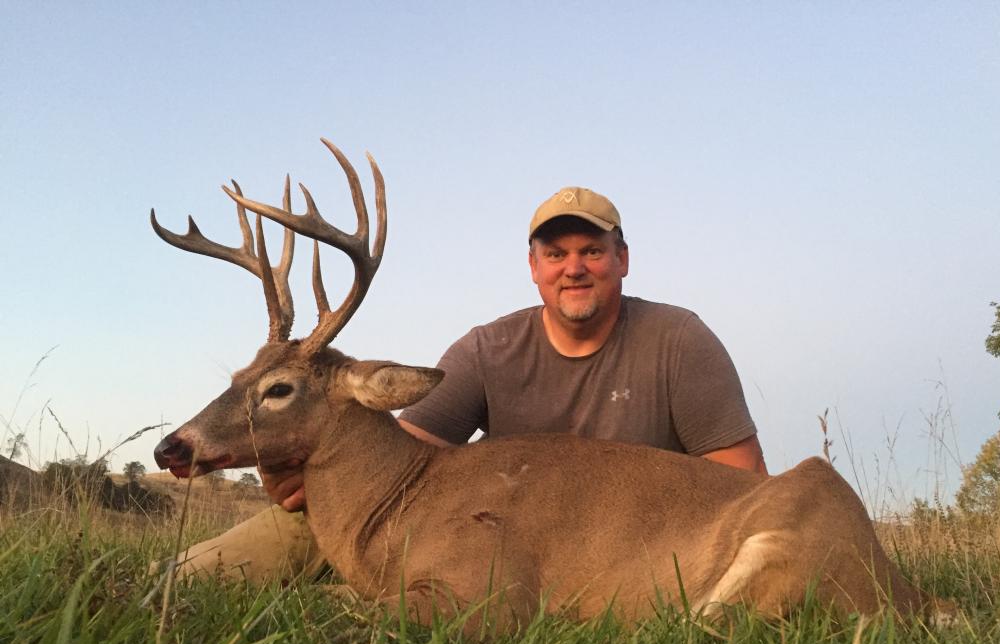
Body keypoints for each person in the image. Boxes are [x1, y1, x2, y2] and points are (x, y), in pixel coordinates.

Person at [166, 186, 765, 581]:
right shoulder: (488, 349)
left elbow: (744, 489)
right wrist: (302, 470)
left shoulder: (679, 341)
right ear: (534, 267)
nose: (573, 267)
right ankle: (156, 585)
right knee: (190, 580)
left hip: (621, 546)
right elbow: (404, 465)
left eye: (592, 250)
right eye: (555, 254)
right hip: (483, 538)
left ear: (622, 259)